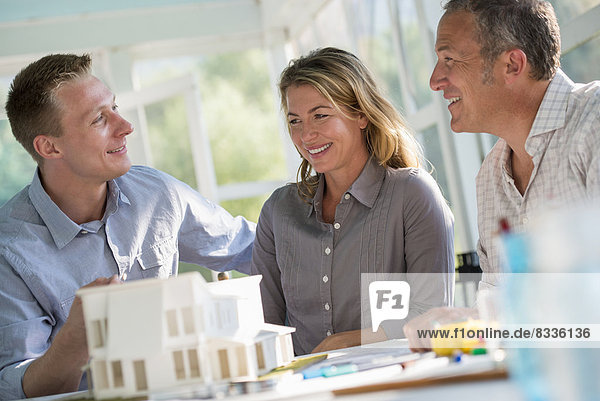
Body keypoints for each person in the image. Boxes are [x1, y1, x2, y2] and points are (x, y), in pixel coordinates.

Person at [0, 54, 256, 399]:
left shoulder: (156, 192)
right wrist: (77, 336)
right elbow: (19, 389)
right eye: (98, 120)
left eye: (115, 107)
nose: (125, 126)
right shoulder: (9, 250)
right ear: (49, 146)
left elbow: (254, 249)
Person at [404, 0, 600, 350]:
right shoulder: (490, 177)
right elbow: (502, 317)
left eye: (449, 59)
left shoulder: (594, 124)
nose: (435, 80)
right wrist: (466, 326)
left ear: (512, 64)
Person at [250, 47, 455, 356]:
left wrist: (346, 342)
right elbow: (264, 324)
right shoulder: (279, 212)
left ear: (360, 114)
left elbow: (432, 317)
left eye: (320, 115)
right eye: (295, 121)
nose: (306, 135)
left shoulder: (412, 195)